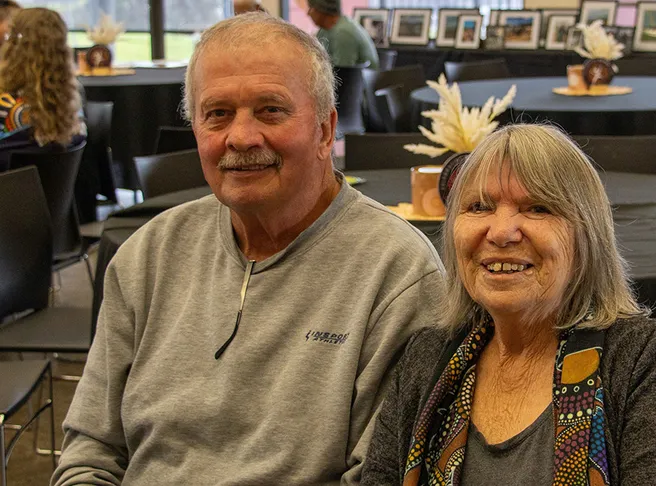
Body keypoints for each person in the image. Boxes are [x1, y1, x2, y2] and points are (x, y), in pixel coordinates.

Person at [52, 13, 444, 485]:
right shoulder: (148, 256)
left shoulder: (398, 274)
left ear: (324, 130)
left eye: (271, 110)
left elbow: (378, 476)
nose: (240, 137)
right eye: (217, 113)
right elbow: (90, 450)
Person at [361, 124, 656, 485]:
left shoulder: (646, 359)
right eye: (479, 206)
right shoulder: (427, 356)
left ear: (586, 236)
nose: (500, 232)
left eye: (537, 208)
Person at [0, 7, 85, 166]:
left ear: (12, 49)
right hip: (55, 190)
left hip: (11, 188)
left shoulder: (6, 107)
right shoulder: (73, 106)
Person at [308, 0, 378, 68]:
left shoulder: (344, 33)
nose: (308, 13)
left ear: (323, 10)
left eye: (311, 8)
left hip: (358, 79)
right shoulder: (324, 29)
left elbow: (342, 73)